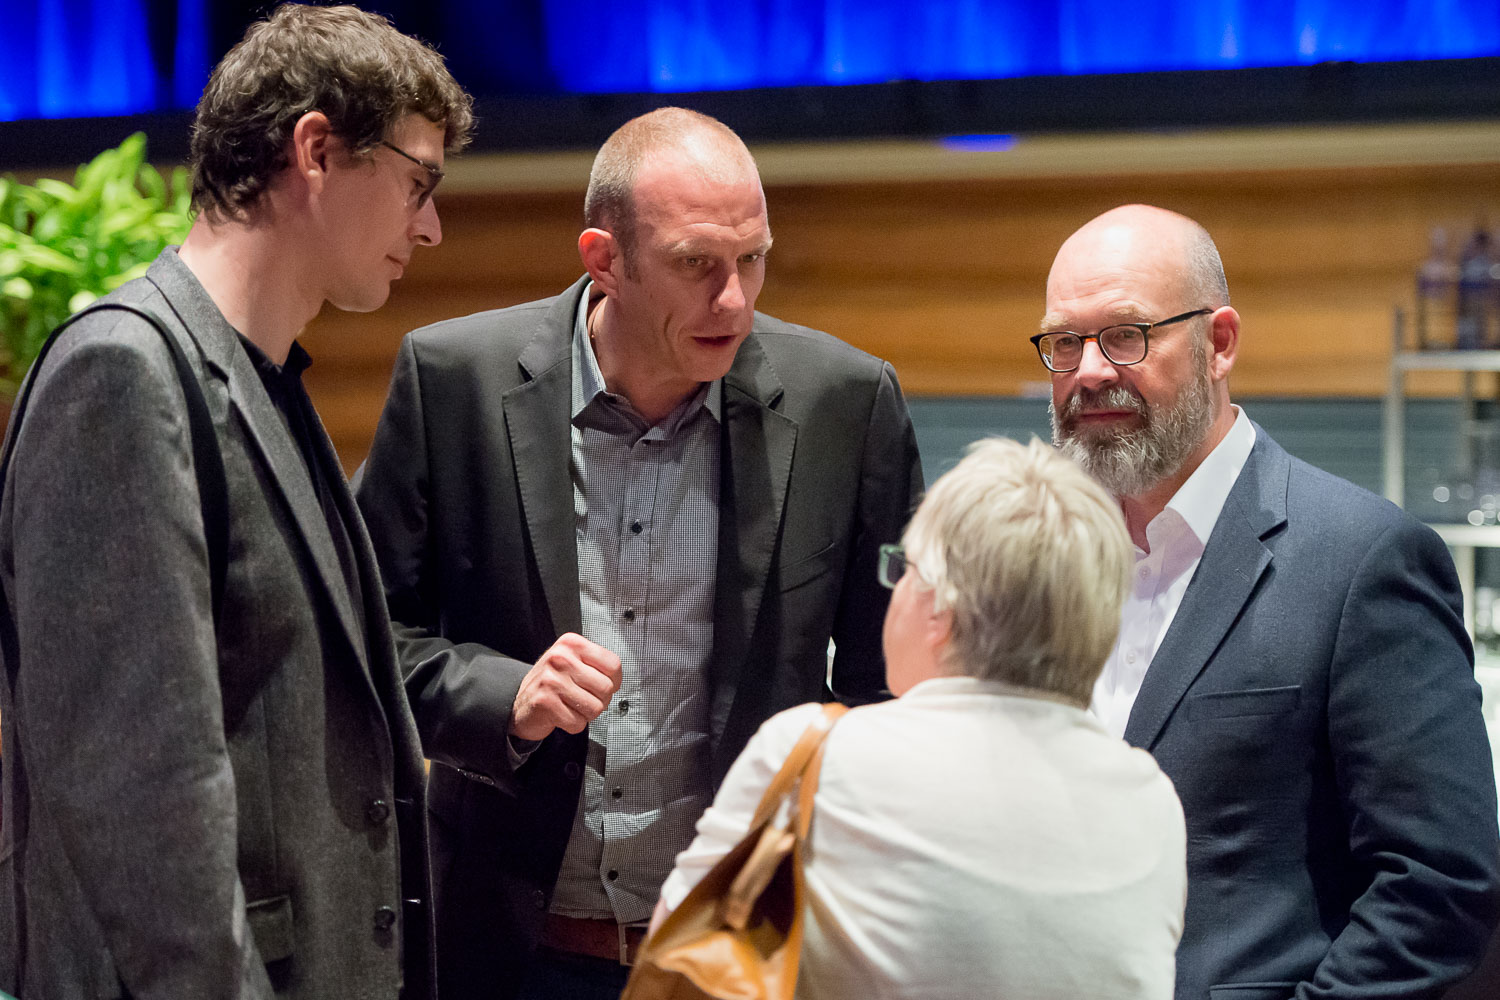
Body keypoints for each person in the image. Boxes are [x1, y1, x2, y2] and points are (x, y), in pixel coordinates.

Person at [354, 106, 923, 999]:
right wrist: (504, 697)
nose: (733, 300)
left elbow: (895, 684)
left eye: (752, 259)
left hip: (743, 955)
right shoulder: (452, 380)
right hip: (508, 947)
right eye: (696, 263)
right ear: (604, 259)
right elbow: (364, 644)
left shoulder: (845, 403)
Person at [0, 6, 473, 998]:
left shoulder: (264, 378)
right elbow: (142, 799)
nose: (430, 227)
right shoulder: (121, 374)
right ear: (317, 149)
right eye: (418, 182)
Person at [1036, 203, 1500, 1000]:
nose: (1089, 371)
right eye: (1065, 342)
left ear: (1219, 343)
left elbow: (1440, 883)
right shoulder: (1041, 557)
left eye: (1125, 335)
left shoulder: (1363, 559)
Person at [655, 436, 1188, 999]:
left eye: (903, 568)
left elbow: (677, 950)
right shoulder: (1151, 800)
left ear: (941, 608)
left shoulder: (814, 758)